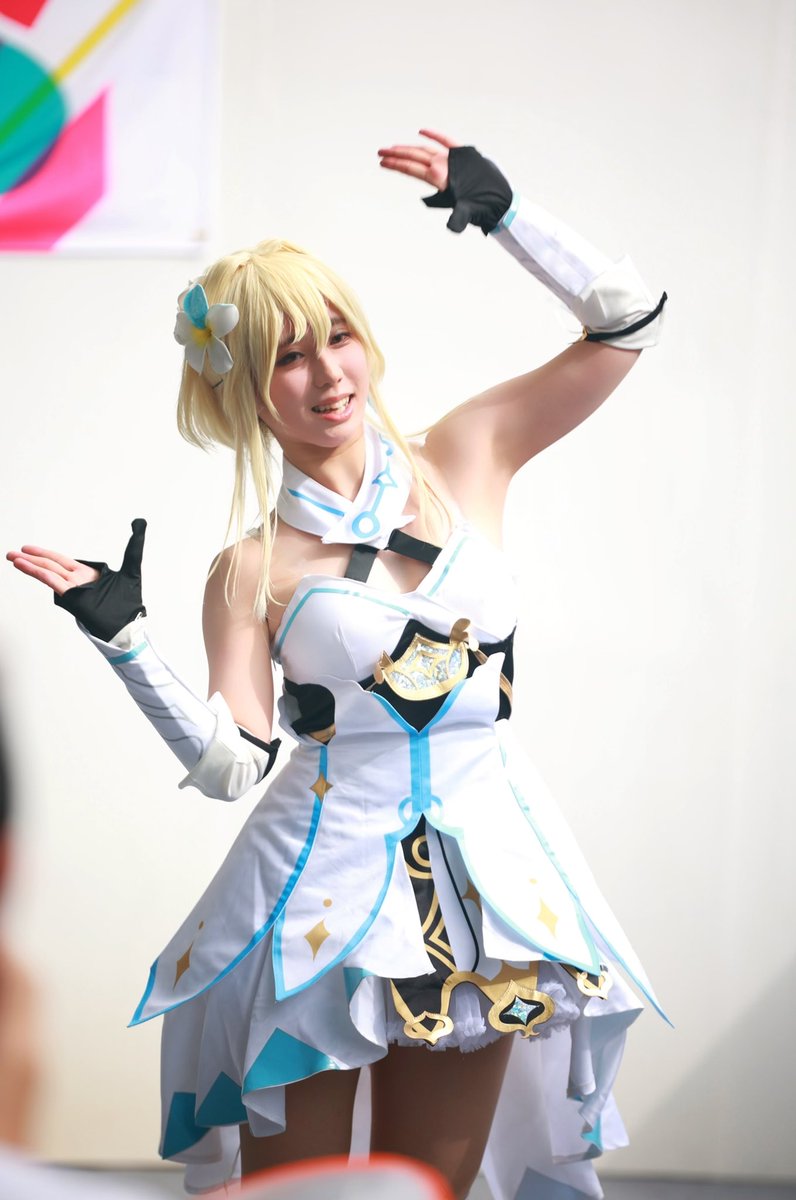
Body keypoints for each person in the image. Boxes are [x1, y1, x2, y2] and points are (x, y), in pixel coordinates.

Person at [7, 131, 667, 1199]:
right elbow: (232, 764)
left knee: (429, 1189)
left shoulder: (470, 453)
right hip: (319, 899)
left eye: (338, 336)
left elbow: (627, 323)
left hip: (490, 895)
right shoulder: (250, 567)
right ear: (242, 389)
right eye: (287, 357)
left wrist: (510, 218)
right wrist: (125, 642)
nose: (326, 375)